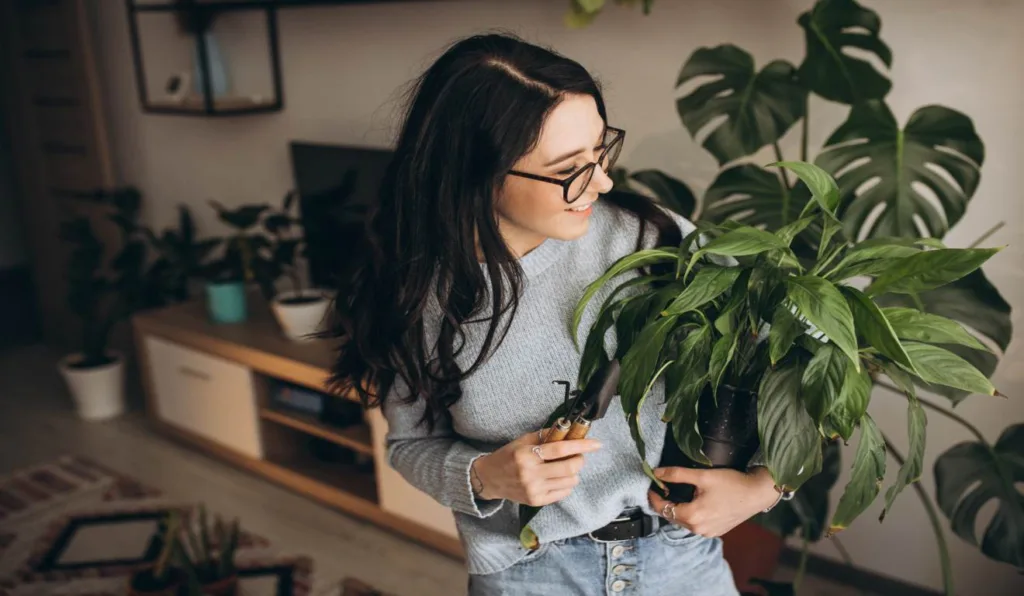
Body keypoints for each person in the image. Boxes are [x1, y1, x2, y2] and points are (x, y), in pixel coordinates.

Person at [327, 32, 786, 596]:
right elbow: (409, 446)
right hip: (528, 572)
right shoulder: (414, 291)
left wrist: (766, 487)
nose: (603, 181)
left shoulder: (653, 241)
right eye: (569, 166)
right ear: (475, 172)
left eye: (600, 150)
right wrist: (484, 475)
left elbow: (792, 357)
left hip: (679, 559)